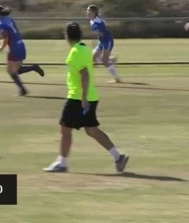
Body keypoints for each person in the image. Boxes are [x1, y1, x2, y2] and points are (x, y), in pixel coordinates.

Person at [43, 22, 129, 173]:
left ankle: (62, 163)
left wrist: (83, 99)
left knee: (65, 129)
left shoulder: (75, 52)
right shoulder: (86, 50)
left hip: (78, 97)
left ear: (66, 36)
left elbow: (85, 75)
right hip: (91, 96)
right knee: (92, 130)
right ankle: (118, 156)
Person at [0, 5, 44, 96]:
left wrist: (1, 47)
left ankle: (23, 89)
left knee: (11, 71)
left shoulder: (0, 23)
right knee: (17, 70)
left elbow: (6, 38)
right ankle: (25, 85)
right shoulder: (9, 19)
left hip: (14, 48)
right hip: (21, 45)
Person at [86, 5, 121, 83]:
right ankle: (111, 60)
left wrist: (95, 33)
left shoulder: (99, 21)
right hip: (102, 41)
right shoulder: (92, 21)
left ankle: (117, 78)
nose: (87, 12)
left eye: (88, 11)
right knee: (93, 58)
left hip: (107, 40)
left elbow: (102, 33)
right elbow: (97, 34)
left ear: (94, 12)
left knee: (105, 62)